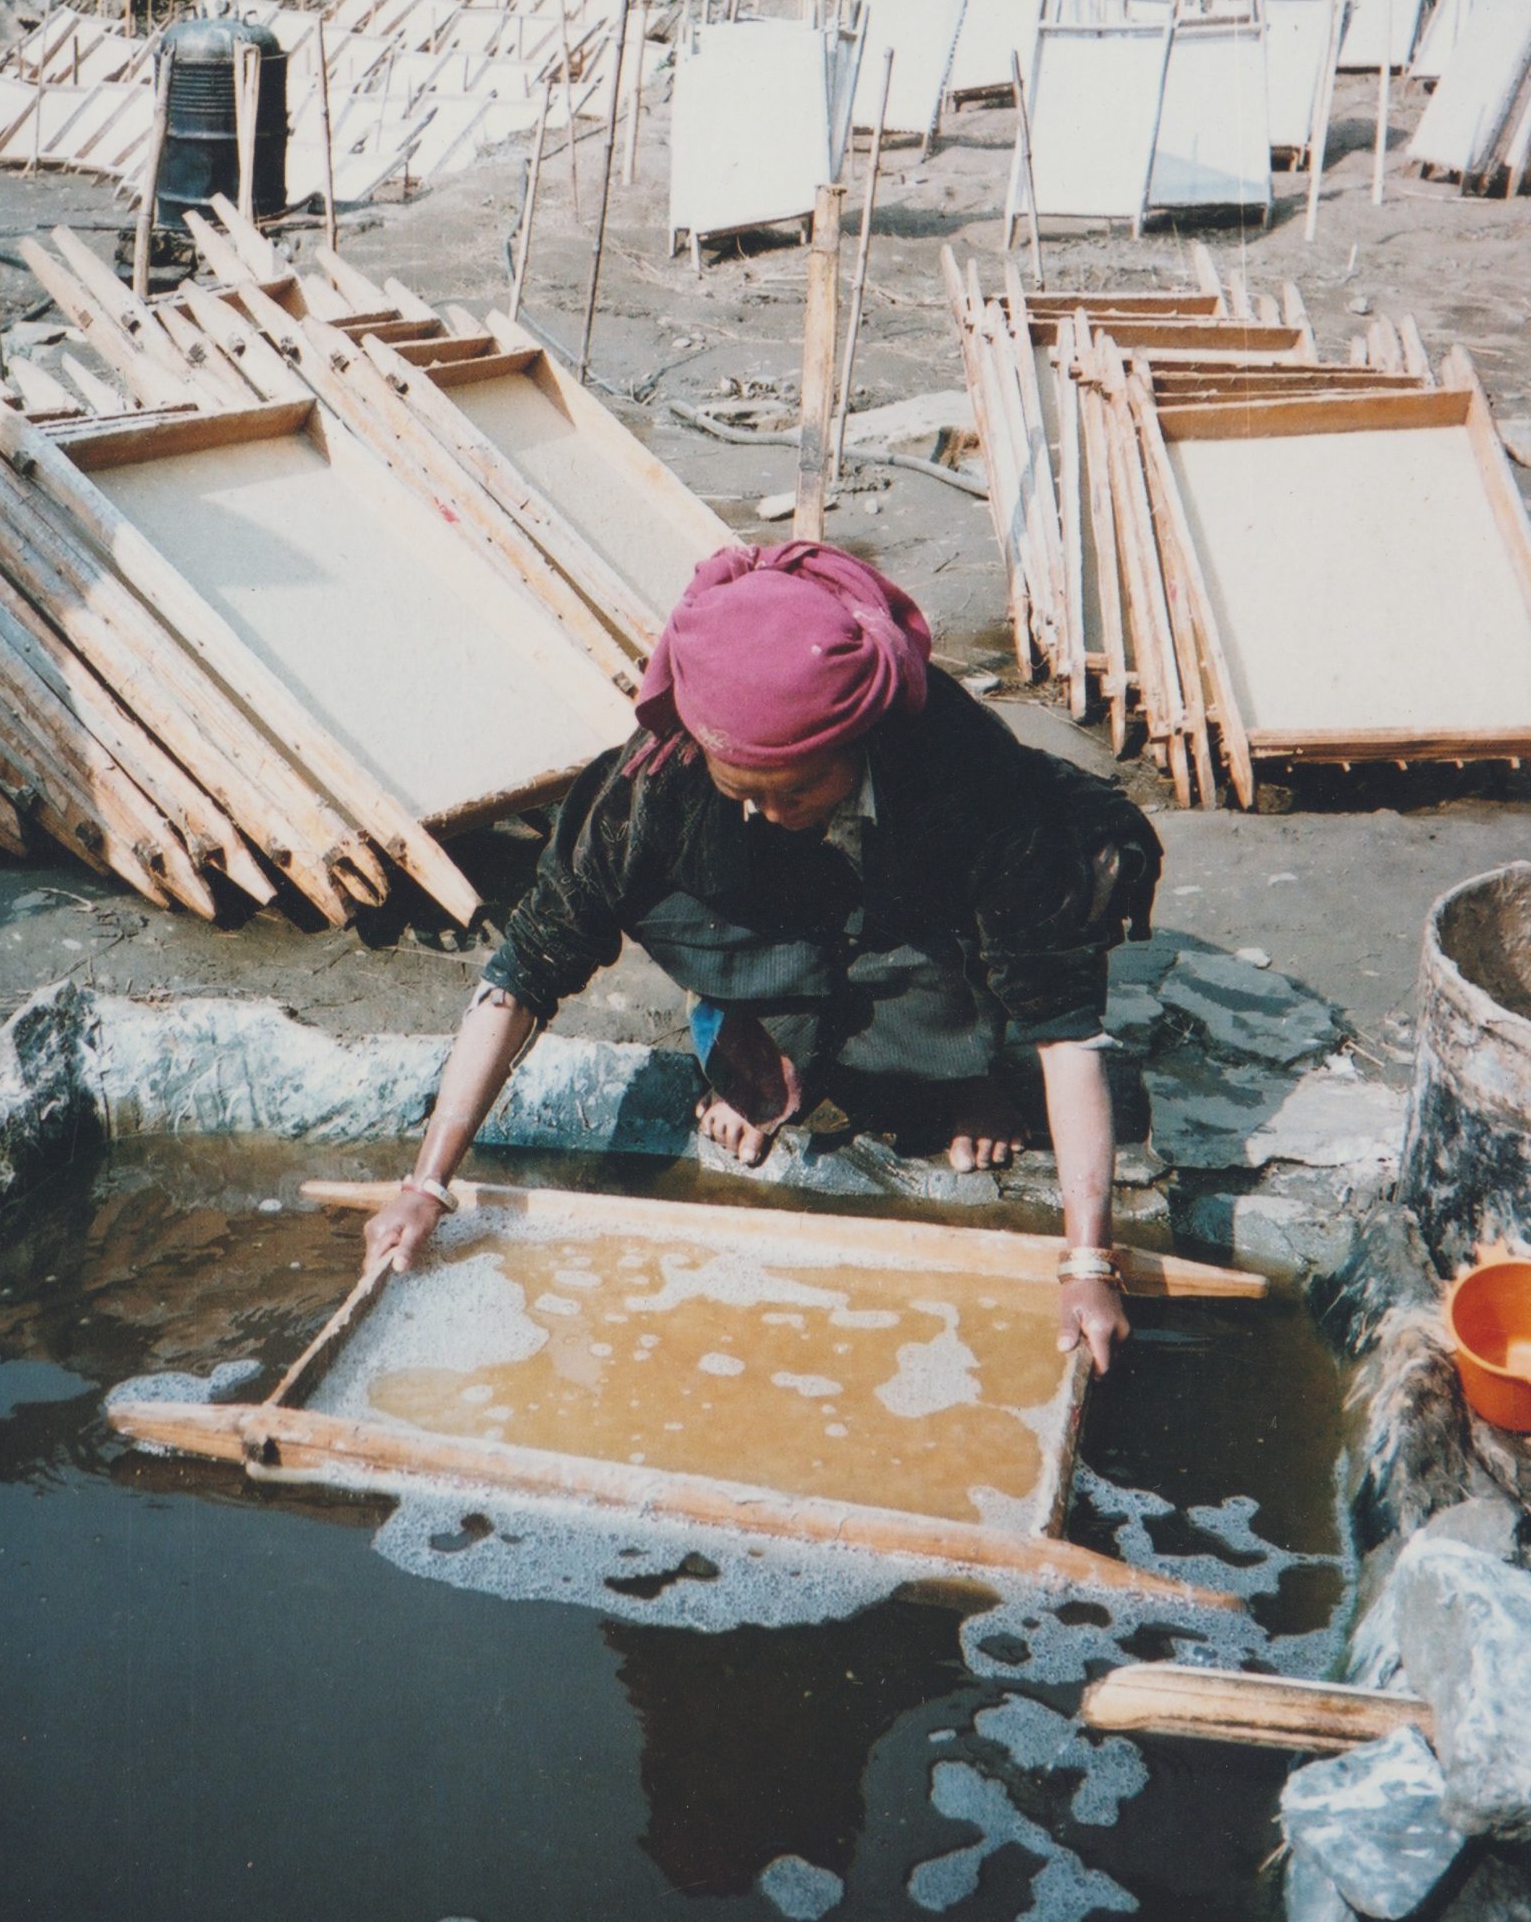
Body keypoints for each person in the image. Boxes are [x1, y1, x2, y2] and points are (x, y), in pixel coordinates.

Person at [362, 543, 1162, 1372]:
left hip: (920, 895)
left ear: (857, 742)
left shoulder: (963, 770)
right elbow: (521, 976)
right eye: (741, 789)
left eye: (798, 789)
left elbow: (1062, 1028)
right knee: (749, 944)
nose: (771, 812)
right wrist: (426, 1185)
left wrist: (1086, 1264)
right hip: (783, 903)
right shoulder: (657, 779)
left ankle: (964, 1075)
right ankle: (765, 1047)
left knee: (991, 948)